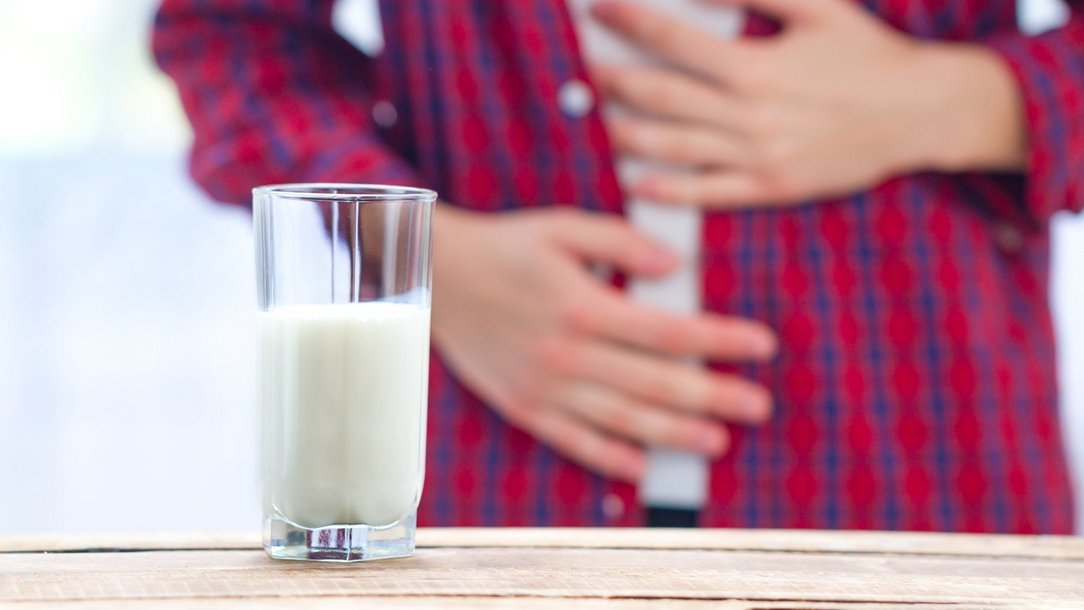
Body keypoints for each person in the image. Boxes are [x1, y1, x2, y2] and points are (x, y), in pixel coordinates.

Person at [154, 0, 1081, 533]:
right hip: (495, 488)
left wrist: (957, 102)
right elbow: (230, 36)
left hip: (919, 475)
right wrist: (434, 262)